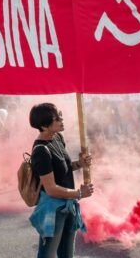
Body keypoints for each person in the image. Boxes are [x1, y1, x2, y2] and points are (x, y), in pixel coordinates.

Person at [29, 103, 93, 258]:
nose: (61, 120)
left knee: (67, 254)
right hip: (53, 209)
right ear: (44, 126)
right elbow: (51, 188)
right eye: (56, 118)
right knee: (48, 254)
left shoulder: (57, 138)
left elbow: (63, 169)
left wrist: (80, 164)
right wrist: (79, 193)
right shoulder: (41, 151)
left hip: (69, 204)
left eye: (60, 115)